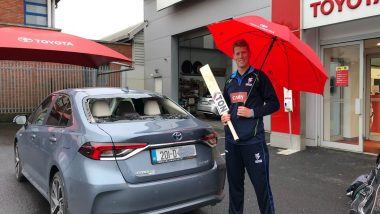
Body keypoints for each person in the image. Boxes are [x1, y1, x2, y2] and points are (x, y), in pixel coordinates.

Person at [221, 39, 280, 214]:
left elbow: (274, 104)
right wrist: (223, 116)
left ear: (249, 54)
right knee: (235, 188)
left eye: (244, 52)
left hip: (253, 142)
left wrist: (252, 112)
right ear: (233, 56)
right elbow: (225, 106)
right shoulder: (229, 81)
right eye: (238, 53)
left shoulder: (259, 77)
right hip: (232, 142)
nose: (241, 56)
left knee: (262, 188)